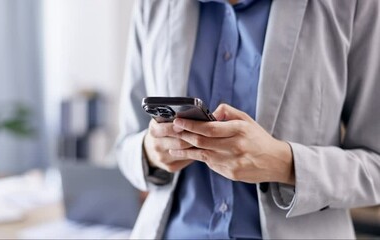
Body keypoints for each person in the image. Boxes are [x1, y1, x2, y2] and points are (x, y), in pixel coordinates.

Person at [115, 0, 380, 239]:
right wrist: (151, 152)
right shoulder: (153, 6)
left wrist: (285, 164)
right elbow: (125, 145)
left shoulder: (354, 6)